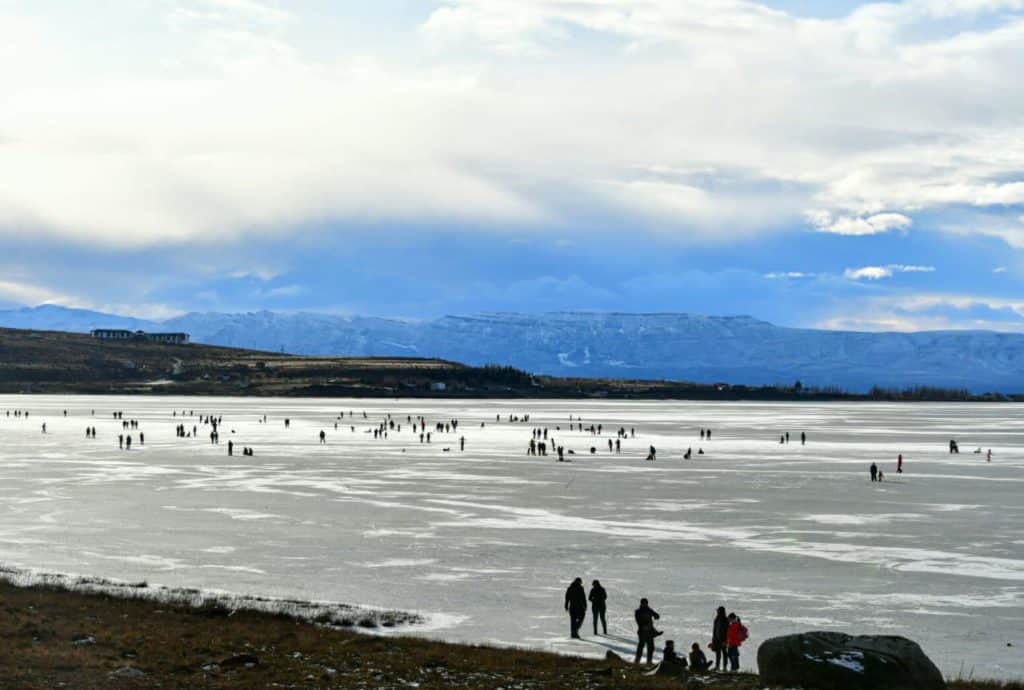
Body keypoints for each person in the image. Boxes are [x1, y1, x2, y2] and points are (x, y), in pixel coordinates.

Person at [634, 598, 661, 664]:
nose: (645, 604)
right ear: (641, 603)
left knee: (651, 647)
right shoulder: (638, 611)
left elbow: (656, 615)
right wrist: (645, 624)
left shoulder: (649, 610)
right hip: (642, 632)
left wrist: (656, 616)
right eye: (644, 603)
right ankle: (637, 662)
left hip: (649, 632)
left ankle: (649, 662)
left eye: (646, 603)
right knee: (641, 647)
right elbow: (639, 621)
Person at [711, 606, 729, 670]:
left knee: (724, 654)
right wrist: (713, 640)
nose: (717, 611)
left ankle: (724, 667)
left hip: (723, 639)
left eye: (718, 610)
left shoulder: (725, 620)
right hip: (717, 639)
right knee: (718, 654)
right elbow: (714, 630)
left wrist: (726, 640)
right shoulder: (716, 619)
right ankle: (717, 666)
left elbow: (727, 631)